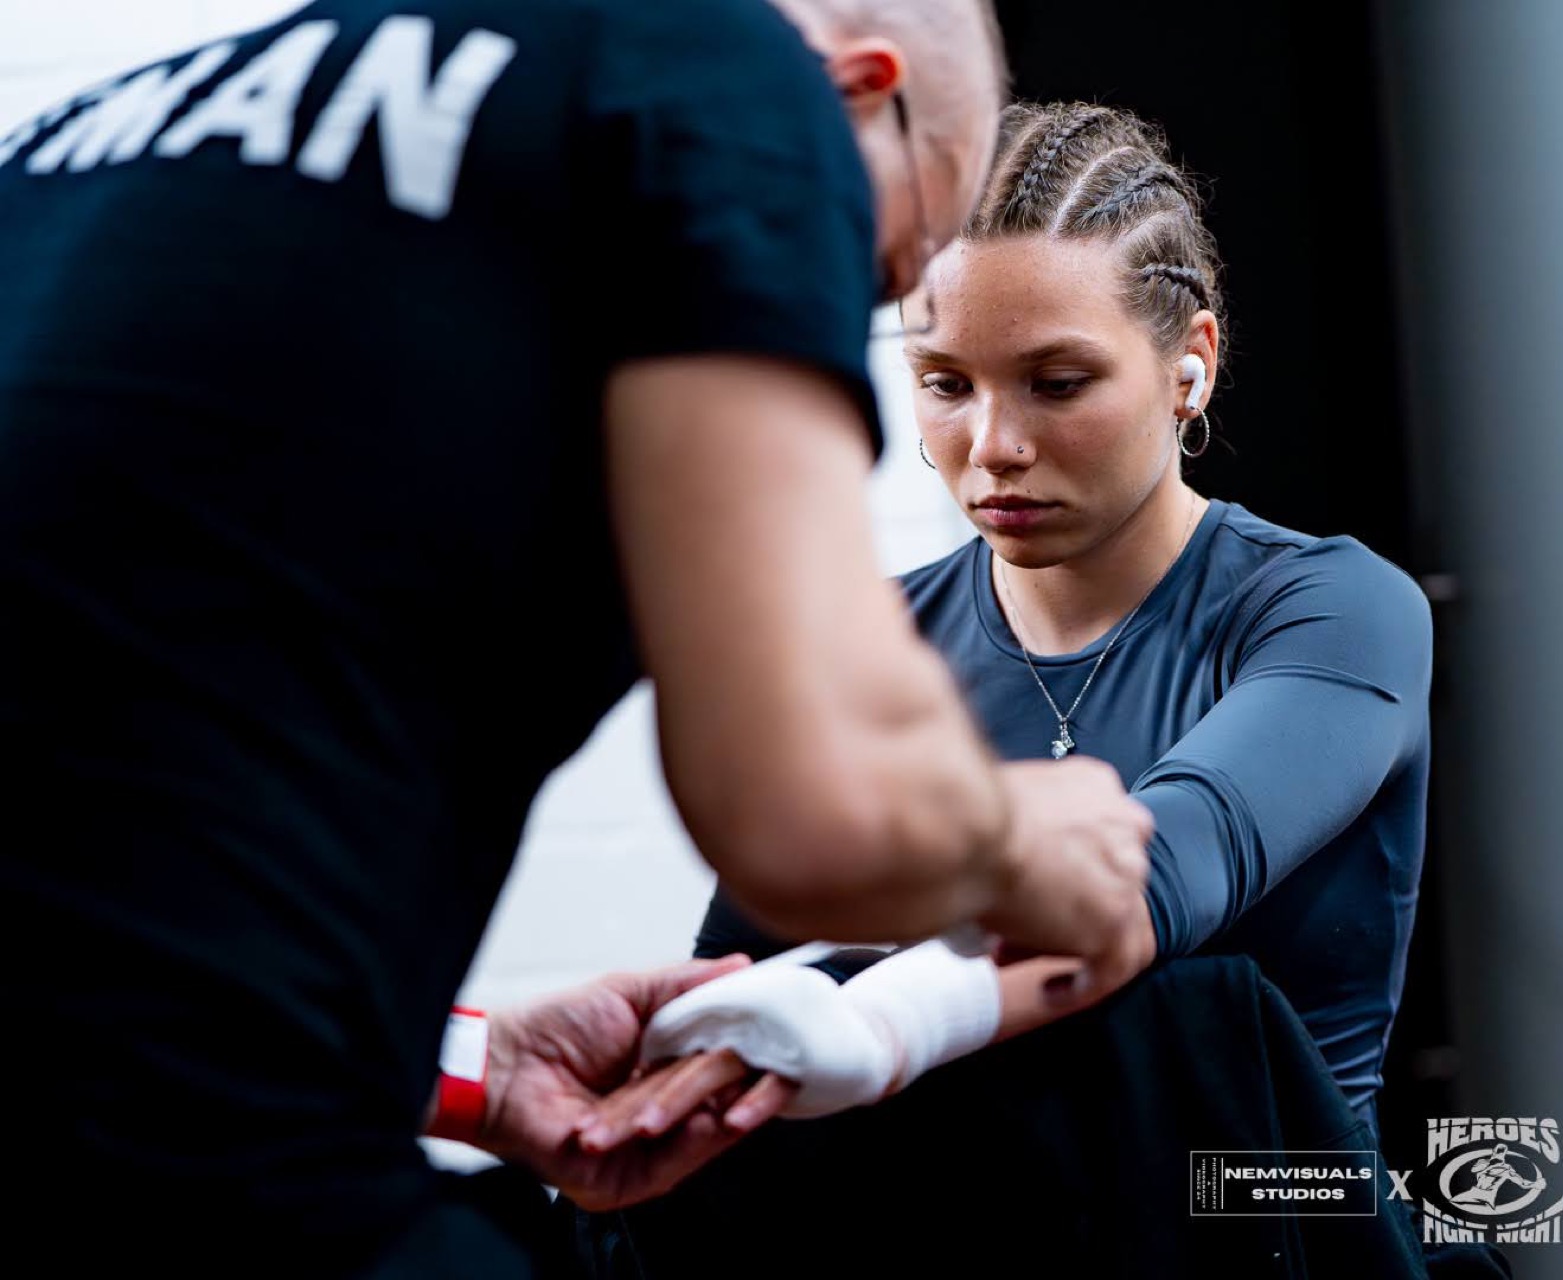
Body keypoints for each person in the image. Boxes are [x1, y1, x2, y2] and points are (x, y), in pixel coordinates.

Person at [0, 2, 1164, 1273]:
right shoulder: (722, 64)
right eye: (893, 265)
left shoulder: (74, 144)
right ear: (856, 95)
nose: (857, 286)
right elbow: (815, 808)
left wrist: (455, 1064)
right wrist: (1043, 842)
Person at [581, 99, 1463, 1278]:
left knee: (1179, 1008)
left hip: (1257, 1220)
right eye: (944, 382)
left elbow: (1142, 882)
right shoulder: (869, 635)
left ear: (1189, 366)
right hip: (945, 1238)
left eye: (1055, 382)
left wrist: (879, 1003)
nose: (992, 443)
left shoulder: (1334, 610)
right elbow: (751, 995)